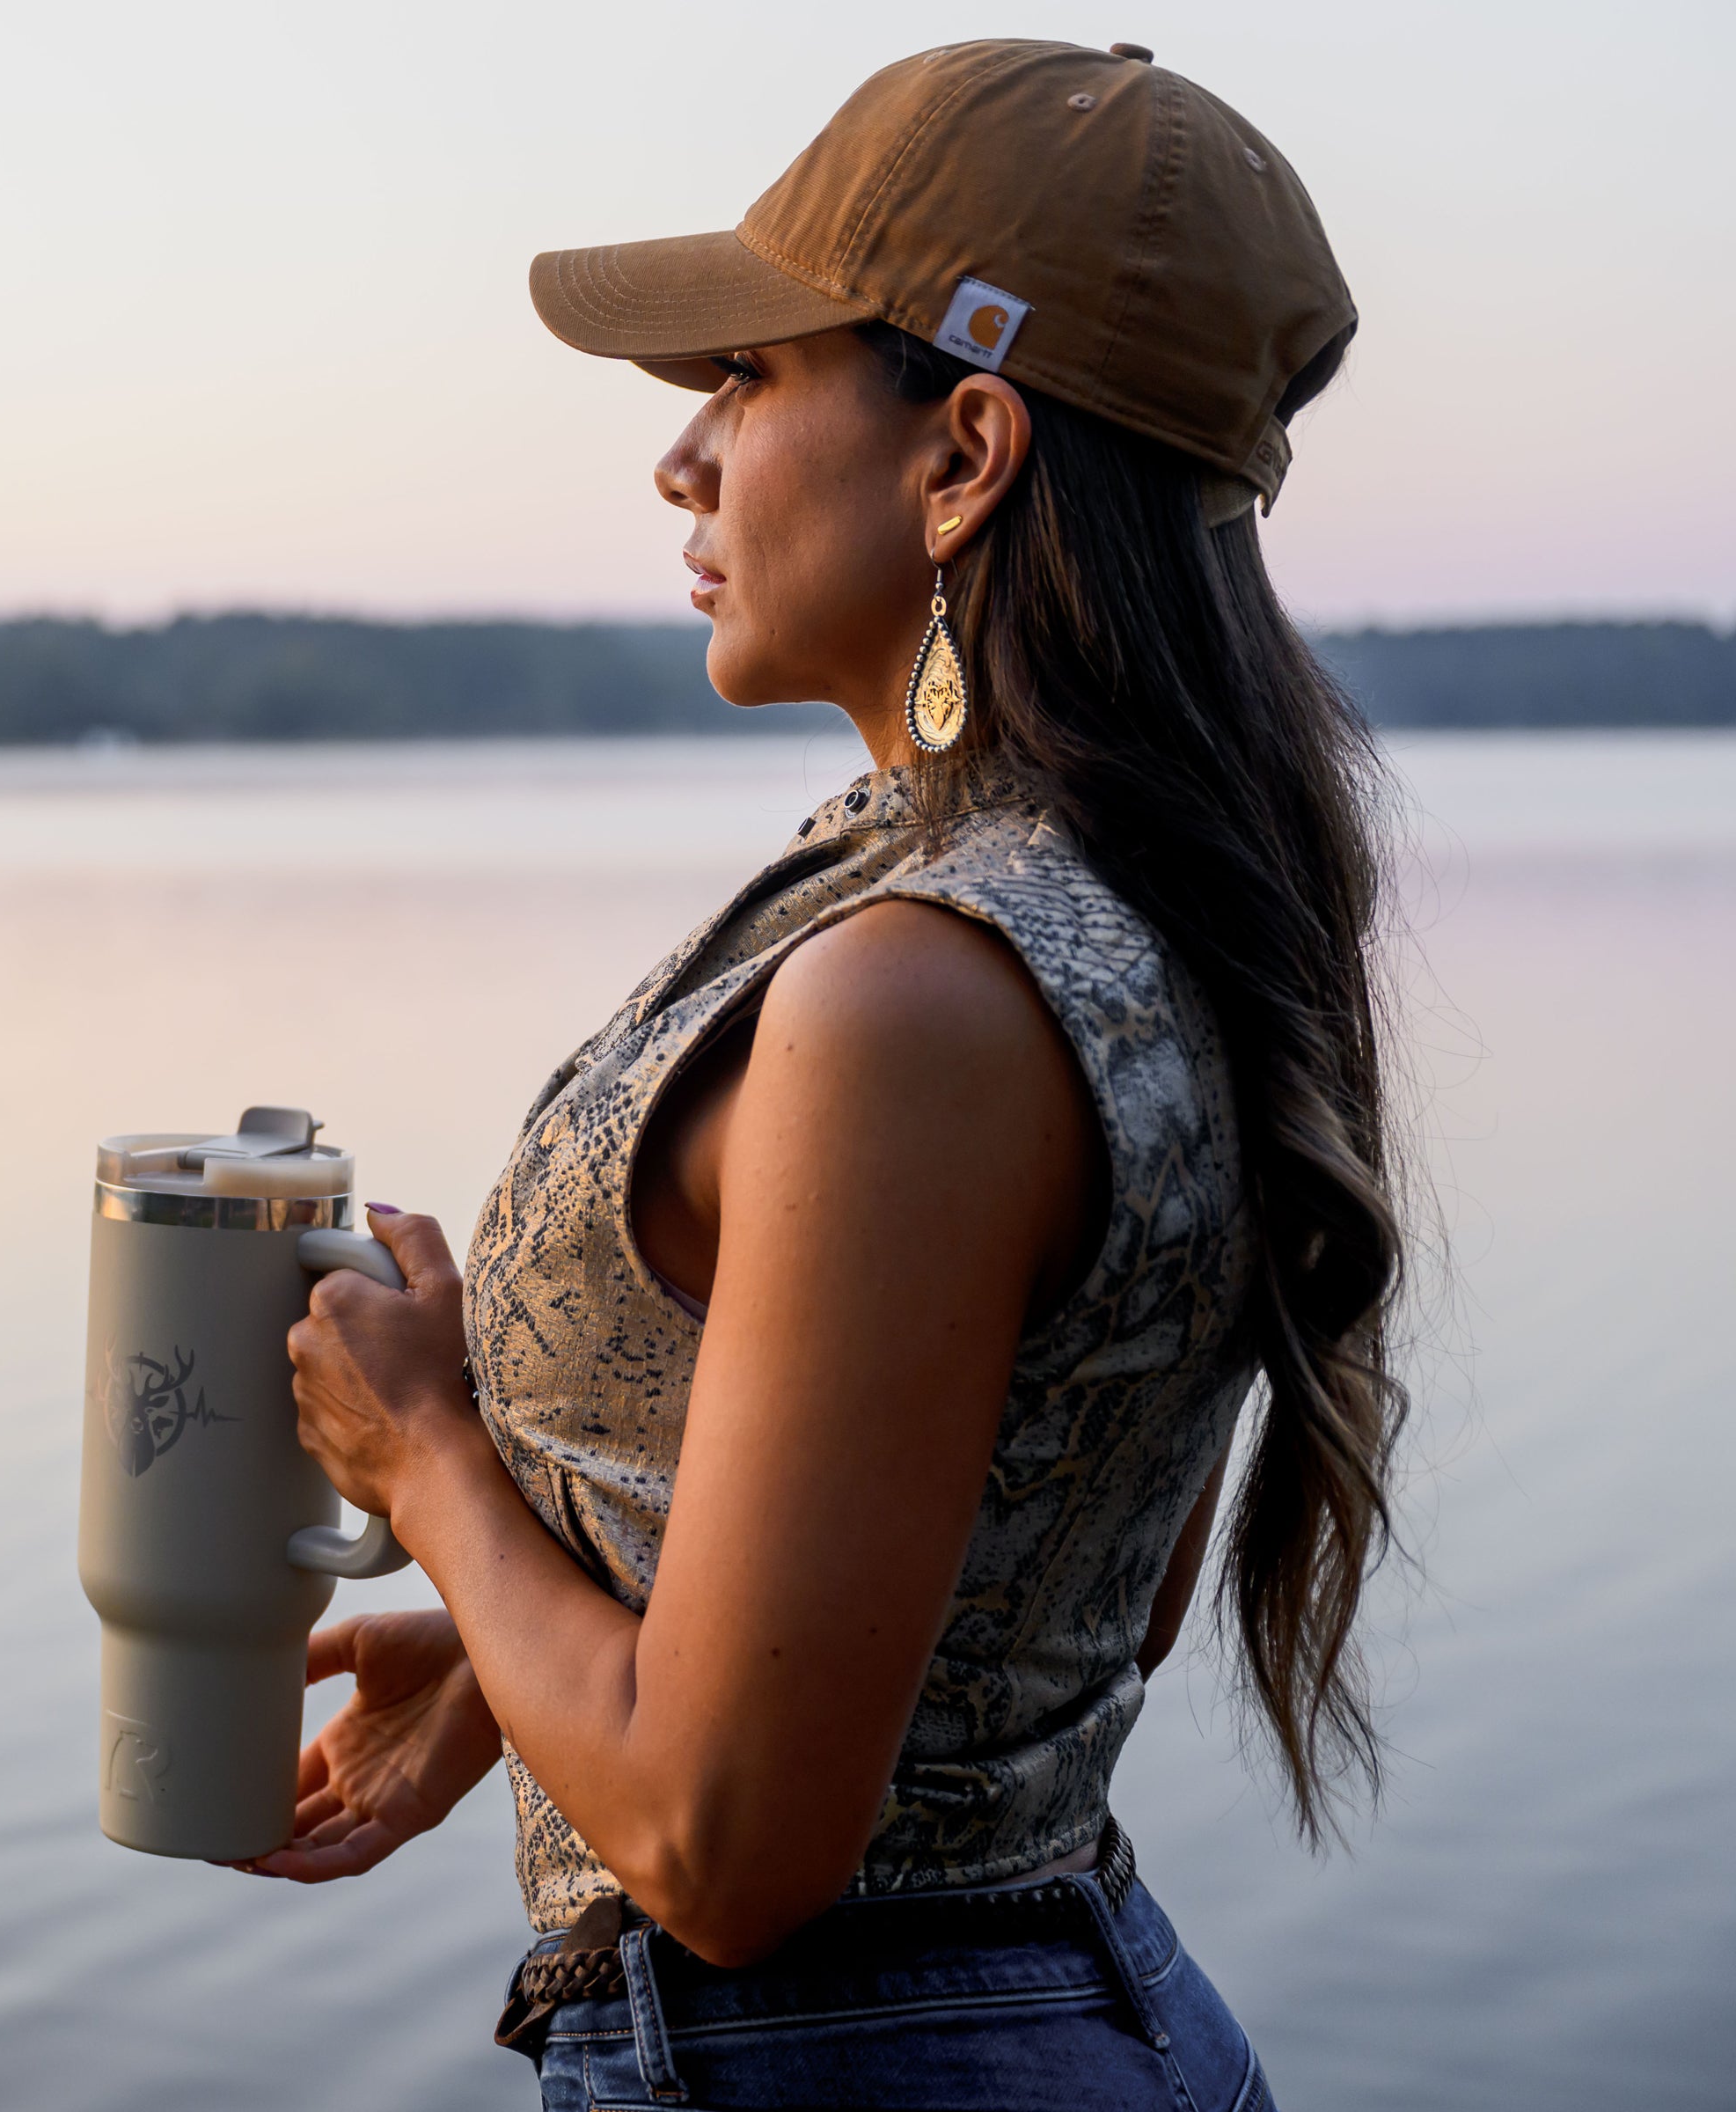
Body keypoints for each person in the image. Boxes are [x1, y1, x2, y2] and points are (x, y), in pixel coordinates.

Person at [248, 39, 1407, 2112]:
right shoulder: (1154, 915)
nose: (681, 459)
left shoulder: (917, 993)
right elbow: (1056, 1593)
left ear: (964, 454)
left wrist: (424, 1460)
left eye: (746, 377)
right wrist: (534, 1658)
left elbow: (725, 1855)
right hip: (1071, 2018)